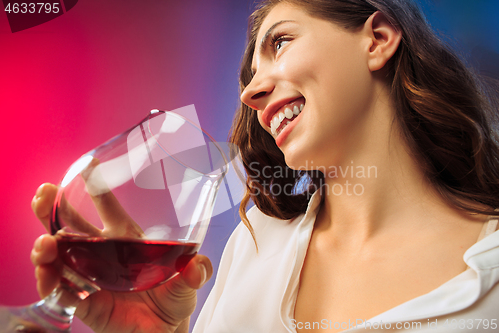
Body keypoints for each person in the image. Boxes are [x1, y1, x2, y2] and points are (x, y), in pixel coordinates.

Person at [31, 0, 499, 332]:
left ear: (376, 40)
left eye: (282, 42)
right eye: (252, 75)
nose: (249, 93)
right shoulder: (257, 242)